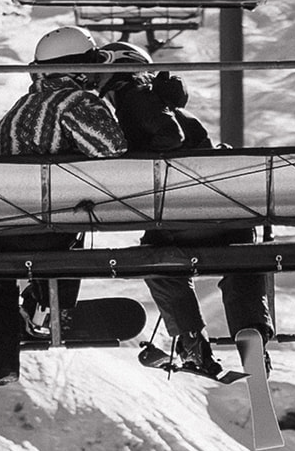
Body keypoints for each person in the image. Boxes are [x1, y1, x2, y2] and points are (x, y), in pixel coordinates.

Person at [96, 41, 272, 378]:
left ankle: (192, 343)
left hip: (184, 217)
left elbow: (169, 138)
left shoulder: (133, 101)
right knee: (242, 260)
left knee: (157, 260)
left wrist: (135, 162)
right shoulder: (166, 103)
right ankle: (252, 335)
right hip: (230, 216)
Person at [0, 26, 126, 386]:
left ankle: (2, 357)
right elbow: (112, 148)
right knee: (73, 228)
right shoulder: (73, 102)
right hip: (50, 233)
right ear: (79, 68)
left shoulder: (18, 108)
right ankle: (47, 306)